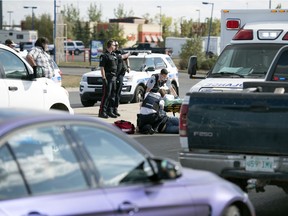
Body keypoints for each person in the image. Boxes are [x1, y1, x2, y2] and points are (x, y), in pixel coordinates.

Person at [98, 40, 118, 119]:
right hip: (108, 77)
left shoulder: (113, 55)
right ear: (110, 46)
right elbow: (102, 67)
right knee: (106, 95)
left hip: (114, 77)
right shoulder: (104, 55)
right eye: (113, 45)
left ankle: (110, 111)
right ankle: (102, 112)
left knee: (113, 95)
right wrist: (104, 78)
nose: (115, 46)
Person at [114, 41, 130, 117]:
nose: (116, 46)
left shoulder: (121, 51)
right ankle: (110, 108)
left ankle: (115, 108)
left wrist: (128, 67)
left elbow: (126, 58)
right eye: (114, 45)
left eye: (117, 45)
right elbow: (123, 56)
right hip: (114, 75)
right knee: (112, 93)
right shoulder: (112, 53)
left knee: (118, 93)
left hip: (120, 75)